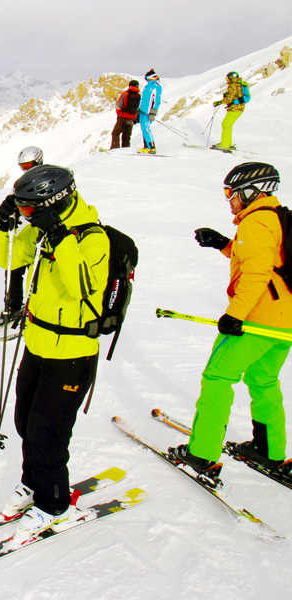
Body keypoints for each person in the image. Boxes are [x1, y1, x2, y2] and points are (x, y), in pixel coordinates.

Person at [0, 165, 110, 546]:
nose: (25, 213)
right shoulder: (41, 228)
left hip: (72, 354)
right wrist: (7, 226)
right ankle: (33, 482)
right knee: (26, 422)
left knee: (48, 433)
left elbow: (84, 290)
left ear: (52, 203)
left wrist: (59, 237)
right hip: (39, 344)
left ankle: (57, 505)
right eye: (21, 207)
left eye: (29, 208)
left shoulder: (93, 238)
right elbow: (8, 261)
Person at [168, 163, 290, 478]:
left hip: (256, 321)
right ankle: (269, 450)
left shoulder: (255, 222)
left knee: (218, 378)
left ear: (252, 191)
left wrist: (235, 315)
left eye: (230, 193)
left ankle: (202, 453)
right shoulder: (277, 218)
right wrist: (224, 244)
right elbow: (270, 261)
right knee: (263, 381)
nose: (229, 200)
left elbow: (256, 274)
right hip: (284, 323)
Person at [0, 147, 44, 325]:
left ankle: (35, 310)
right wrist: (1, 218)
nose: (26, 170)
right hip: (23, 234)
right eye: (23, 167)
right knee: (13, 267)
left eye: (28, 165)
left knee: (38, 273)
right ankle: (13, 308)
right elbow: (15, 205)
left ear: (38, 161)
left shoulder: (46, 179)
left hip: (41, 233)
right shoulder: (20, 184)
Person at [212, 71, 249, 152]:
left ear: (231, 78)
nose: (227, 80)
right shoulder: (240, 84)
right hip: (240, 108)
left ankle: (224, 145)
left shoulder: (233, 85)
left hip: (234, 108)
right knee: (228, 125)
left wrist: (219, 102)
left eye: (228, 78)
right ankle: (227, 143)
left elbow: (230, 98)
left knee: (226, 124)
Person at [110, 80, 141, 149]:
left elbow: (119, 106)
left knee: (115, 133)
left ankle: (115, 148)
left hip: (123, 117)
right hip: (132, 118)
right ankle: (126, 149)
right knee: (127, 136)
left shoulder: (125, 94)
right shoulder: (139, 96)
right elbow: (139, 108)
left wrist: (119, 114)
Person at [138, 70, 161, 154]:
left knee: (146, 128)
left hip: (149, 113)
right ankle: (146, 146)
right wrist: (138, 109)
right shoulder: (146, 87)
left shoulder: (156, 87)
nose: (146, 80)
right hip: (142, 112)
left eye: (146, 78)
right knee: (143, 129)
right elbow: (142, 99)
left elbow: (157, 101)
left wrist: (153, 112)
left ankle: (152, 147)